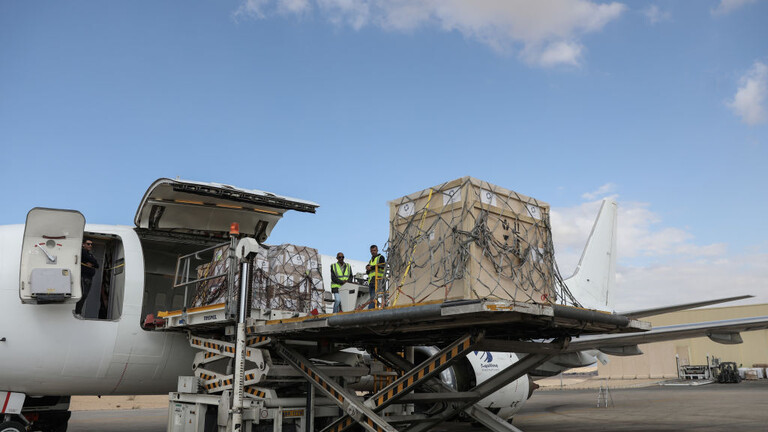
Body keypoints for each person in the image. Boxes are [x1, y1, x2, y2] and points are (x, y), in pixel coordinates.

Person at [75, 239, 99, 316]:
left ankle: (78, 312)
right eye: (88, 244)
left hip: (89, 278)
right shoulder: (83, 252)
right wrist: (92, 262)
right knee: (83, 294)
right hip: (84, 277)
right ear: (83, 244)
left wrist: (92, 263)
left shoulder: (90, 254)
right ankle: (77, 312)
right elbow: (90, 260)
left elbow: (97, 265)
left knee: (85, 295)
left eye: (91, 244)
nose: (90, 246)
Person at [365, 245, 385, 309]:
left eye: (374, 250)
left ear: (377, 250)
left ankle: (370, 310)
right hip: (371, 281)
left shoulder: (380, 257)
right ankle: (373, 308)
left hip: (378, 280)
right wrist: (367, 269)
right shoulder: (371, 261)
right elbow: (369, 271)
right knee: (372, 298)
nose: (373, 252)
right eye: (372, 251)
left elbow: (381, 265)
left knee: (373, 297)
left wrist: (371, 267)